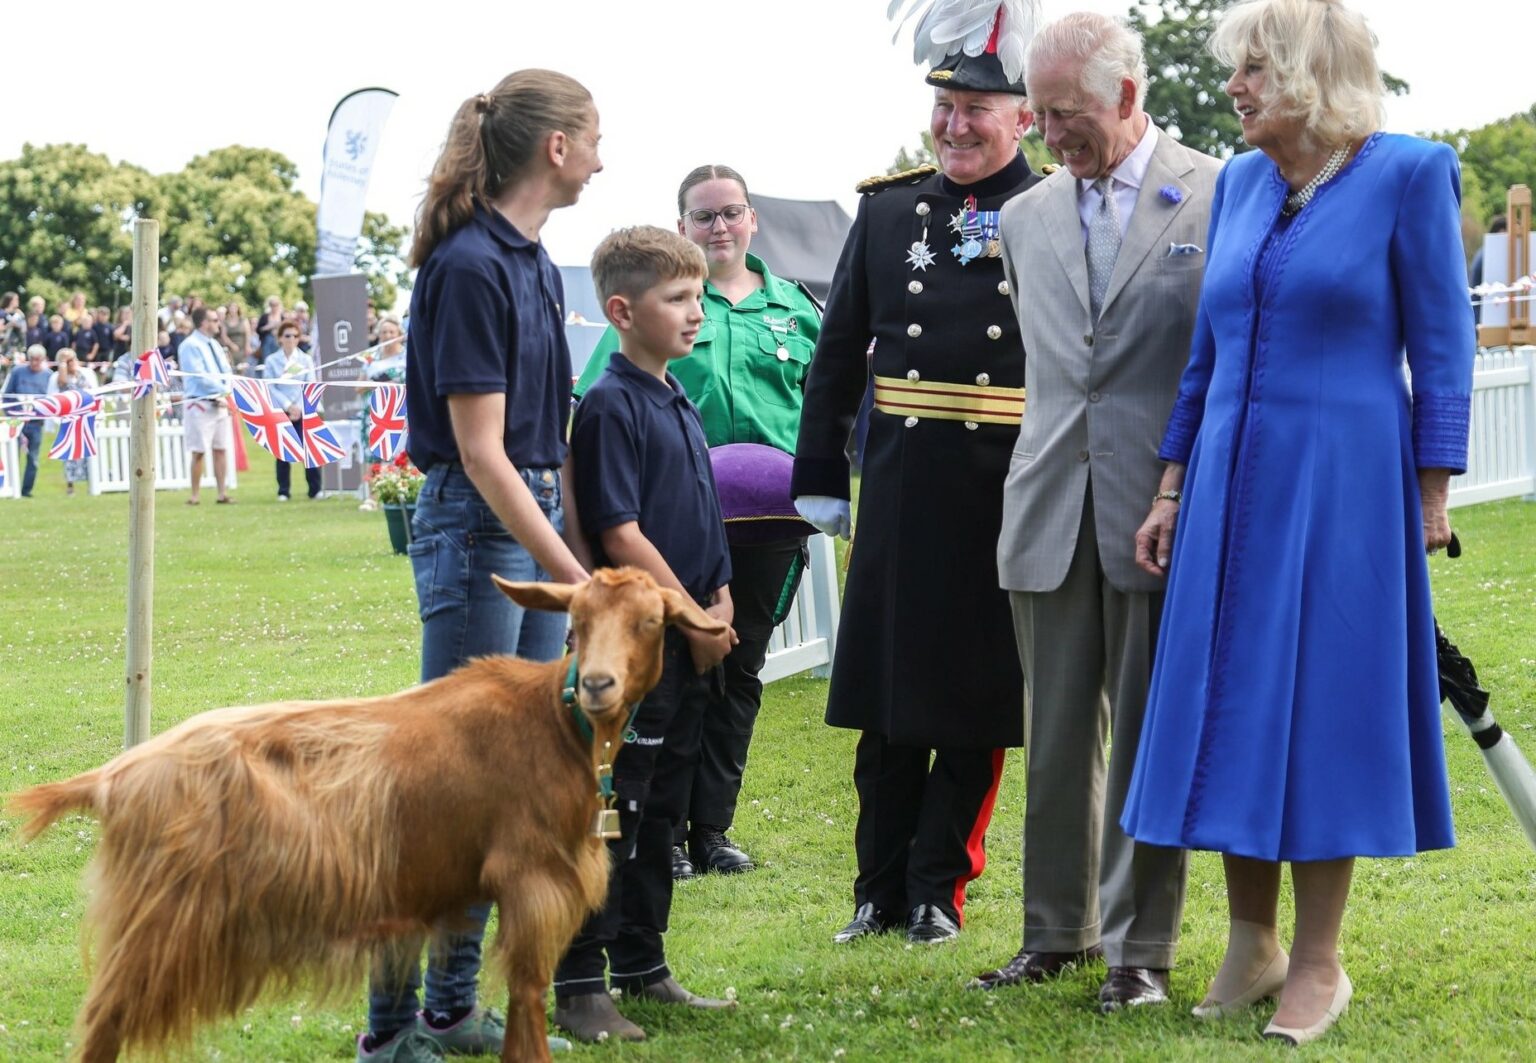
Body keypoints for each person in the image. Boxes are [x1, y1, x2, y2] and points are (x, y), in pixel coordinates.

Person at [1119, 0, 1472, 1046]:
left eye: (1255, 71)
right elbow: (1208, 354)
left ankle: (1320, 963)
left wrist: (1433, 491)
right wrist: (1172, 484)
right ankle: (1252, 940)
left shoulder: (1411, 172)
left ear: (1314, 75)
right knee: (1232, 697)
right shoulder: (1238, 184)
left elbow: (1443, 346)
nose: (1234, 88)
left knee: (1320, 707)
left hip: (1347, 482)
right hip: (1229, 480)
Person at [969, 12, 1222, 1011]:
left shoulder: (1219, 190)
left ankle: (1139, 949)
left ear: (1126, 94)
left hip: (1159, 508)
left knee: (1148, 741)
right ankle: (1054, 932)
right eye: (1041, 114)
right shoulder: (1027, 215)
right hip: (1046, 505)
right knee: (1058, 731)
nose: (1049, 134)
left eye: (1067, 114)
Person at [360, 68, 601, 1063]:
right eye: (594, 137)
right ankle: (388, 1030)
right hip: (480, 528)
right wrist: (573, 575)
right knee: (437, 794)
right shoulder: (469, 266)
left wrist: (572, 548)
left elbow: (543, 442)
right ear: (555, 148)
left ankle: (453, 1012)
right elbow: (480, 452)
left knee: (511, 784)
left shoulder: (534, 261)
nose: (601, 156)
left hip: (527, 521)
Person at [791, 11, 1041, 946]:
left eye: (978, 108)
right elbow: (837, 352)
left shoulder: (1049, 211)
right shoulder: (890, 210)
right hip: (900, 482)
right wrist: (821, 471)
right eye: (945, 106)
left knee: (978, 701)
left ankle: (939, 887)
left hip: (1003, 487)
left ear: (1023, 119)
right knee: (888, 703)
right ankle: (876, 886)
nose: (956, 125)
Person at [573, 164, 822, 879]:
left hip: (769, 526)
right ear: (682, 225)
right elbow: (598, 398)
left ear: (752, 220)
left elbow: (828, 407)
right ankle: (667, 834)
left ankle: (713, 828)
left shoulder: (797, 310)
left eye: (731, 212)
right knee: (673, 673)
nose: (720, 226)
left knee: (740, 671)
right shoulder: (664, 300)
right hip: (670, 528)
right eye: (704, 215)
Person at [553, 225, 739, 1043]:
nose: (696, 312)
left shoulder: (674, 394)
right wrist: (690, 615)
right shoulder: (610, 404)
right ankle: (581, 981)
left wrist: (721, 593)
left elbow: (701, 515)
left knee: (662, 811)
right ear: (622, 311)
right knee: (611, 809)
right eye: (678, 299)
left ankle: (642, 963)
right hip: (636, 649)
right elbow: (621, 532)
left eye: (699, 295)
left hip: (687, 632)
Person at [178, 306, 235, 506]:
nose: (218, 323)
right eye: (214, 320)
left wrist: (227, 389)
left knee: (221, 448)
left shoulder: (215, 345)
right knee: (199, 450)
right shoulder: (190, 345)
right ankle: (195, 495)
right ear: (204, 322)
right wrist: (222, 390)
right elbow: (199, 375)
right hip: (200, 402)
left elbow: (226, 369)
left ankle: (222, 493)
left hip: (220, 402)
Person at [265, 320, 321, 501]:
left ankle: (315, 489)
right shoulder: (272, 360)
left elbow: (310, 384)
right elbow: (270, 386)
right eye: (287, 336)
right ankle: (283, 490)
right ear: (280, 338)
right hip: (282, 409)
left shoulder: (305, 359)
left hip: (302, 409)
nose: (291, 339)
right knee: (282, 451)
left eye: (295, 336)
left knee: (309, 449)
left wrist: (298, 406)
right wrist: (288, 405)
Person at [2, 345, 52, 497]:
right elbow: (7, 395)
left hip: (36, 423)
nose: (35, 363)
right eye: (32, 359)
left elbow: (51, 401)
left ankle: (26, 490)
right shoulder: (18, 372)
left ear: (43, 359)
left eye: (38, 360)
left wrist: (41, 416)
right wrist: (11, 414)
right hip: (16, 421)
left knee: (33, 459)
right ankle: (11, 487)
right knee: (12, 455)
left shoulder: (48, 375)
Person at [49, 349, 97, 495]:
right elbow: (62, 383)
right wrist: (62, 364)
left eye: (73, 359)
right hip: (70, 421)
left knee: (89, 452)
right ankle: (70, 486)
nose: (72, 363)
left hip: (86, 419)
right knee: (69, 455)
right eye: (68, 361)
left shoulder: (86, 373)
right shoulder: (59, 377)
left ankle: (93, 484)